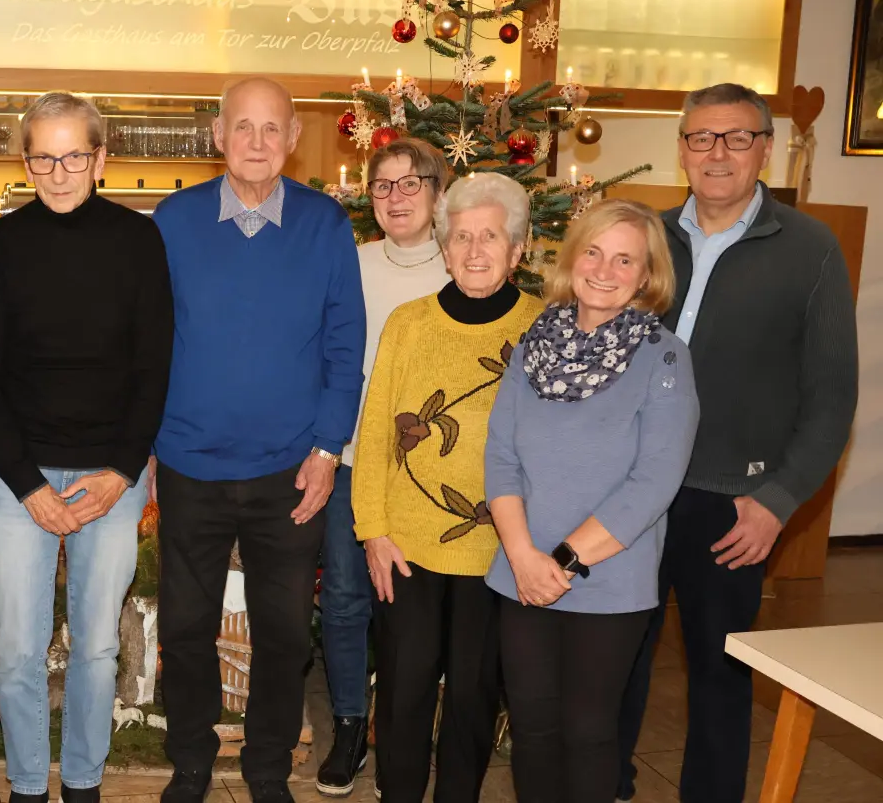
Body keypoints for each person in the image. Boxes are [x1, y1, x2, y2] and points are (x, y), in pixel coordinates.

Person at [616, 84, 859, 803]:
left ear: (765, 148)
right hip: (630, 495)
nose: (717, 153)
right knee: (616, 660)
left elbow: (833, 395)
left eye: (736, 137)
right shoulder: (647, 237)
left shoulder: (810, 250)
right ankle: (610, 784)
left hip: (731, 504)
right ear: (683, 148)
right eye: (702, 138)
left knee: (720, 674)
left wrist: (777, 501)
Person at [151, 76, 365, 803]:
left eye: (271, 128)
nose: (256, 142)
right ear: (218, 135)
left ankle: (268, 768)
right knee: (184, 629)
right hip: (188, 463)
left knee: (282, 635)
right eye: (242, 127)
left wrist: (329, 450)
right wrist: (145, 445)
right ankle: (190, 761)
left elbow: (345, 345)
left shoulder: (325, 225)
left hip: (291, 470)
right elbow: (142, 344)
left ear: (294, 138)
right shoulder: (171, 221)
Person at [0, 92, 173, 803]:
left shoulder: (137, 241)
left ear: (100, 159)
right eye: (43, 157)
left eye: (73, 156)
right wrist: (26, 485)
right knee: (18, 647)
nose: (58, 172)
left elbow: (155, 365)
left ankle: (82, 782)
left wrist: (120, 473)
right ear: (26, 162)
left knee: (98, 645)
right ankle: (27, 785)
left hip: (110, 474)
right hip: (17, 475)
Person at [485, 200, 700, 803]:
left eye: (625, 258)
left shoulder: (663, 356)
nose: (605, 269)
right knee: (532, 731)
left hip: (608, 580)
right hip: (521, 574)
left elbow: (656, 480)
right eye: (594, 251)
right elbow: (500, 456)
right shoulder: (534, 346)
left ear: (647, 275)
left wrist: (562, 561)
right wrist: (524, 557)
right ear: (573, 258)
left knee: (587, 733)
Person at [352, 171, 541, 803]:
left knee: (473, 693)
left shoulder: (544, 332)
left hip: (498, 553)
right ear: (445, 244)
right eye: (462, 236)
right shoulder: (408, 324)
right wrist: (372, 531)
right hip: (407, 548)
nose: (475, 250)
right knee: (403, 692)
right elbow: (376, 427)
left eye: (491, 237)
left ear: (517, 250)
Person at [316, 138, 451, 797]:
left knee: (411, 610)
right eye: (382, 186)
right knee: (344, 600)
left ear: (437, 192)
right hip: (348, 459)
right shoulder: (350, 260)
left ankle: (403, 729)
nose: (395, 197)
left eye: (409, 184)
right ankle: (349, 723)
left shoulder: (463, 266)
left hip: (429, 475)